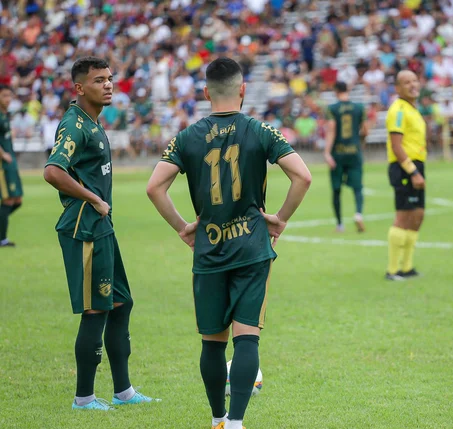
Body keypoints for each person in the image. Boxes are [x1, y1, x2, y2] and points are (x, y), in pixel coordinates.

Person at [146, 57, 311, 429]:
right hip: (252, 247)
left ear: (205, 93)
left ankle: (217, 419)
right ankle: (236, 423)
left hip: (209, 248)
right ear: (242, 90)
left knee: (212, 342)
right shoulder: (260, 130)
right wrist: (280, 218)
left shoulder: (187, 137)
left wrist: (182, 227)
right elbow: (302, 176)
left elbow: (154, 186)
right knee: (247, 336)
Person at [43, 57, 156, 411]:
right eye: (98, 80)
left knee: (122, 303)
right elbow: (51, 171)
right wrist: (94, 198)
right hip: (85, 227)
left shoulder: (93, 120)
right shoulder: (74, 124)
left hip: (101, 226)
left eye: (109, 79)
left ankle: (123, 392)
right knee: (96, 310)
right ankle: (84, 398)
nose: (108, 85)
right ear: (79, 88)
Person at [384, 70, 426, 281]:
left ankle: (407, 267)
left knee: (417, 216)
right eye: (406, 82)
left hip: (416, 165)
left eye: (414, 80)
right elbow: (396, 146)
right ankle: (392, 271)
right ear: (398, 88)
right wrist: (413, 172)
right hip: (404, 168)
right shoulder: (398, 110)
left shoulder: (413, 109)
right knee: (403, 216)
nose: (412, 85)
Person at [324, 81, 367, 232]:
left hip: (338, 153)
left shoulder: (332, 109)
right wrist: (360, 142)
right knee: (358, 187)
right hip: (354, 151)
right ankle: (358, 214)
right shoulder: (359, 108)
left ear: (336, 90)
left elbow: (332, 129)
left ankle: (340, 224)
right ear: (347, 89)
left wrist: (327, 152)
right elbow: (365, 129)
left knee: (336, 189)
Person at [0, 84, 23, 247]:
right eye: (4, 95)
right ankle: (2, 239)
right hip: (3, 164)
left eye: (10, 95)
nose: (8, 99)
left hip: (11, 162)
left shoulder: (4, 115)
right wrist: (3, 154)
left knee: (17, 200)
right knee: (8, 201)